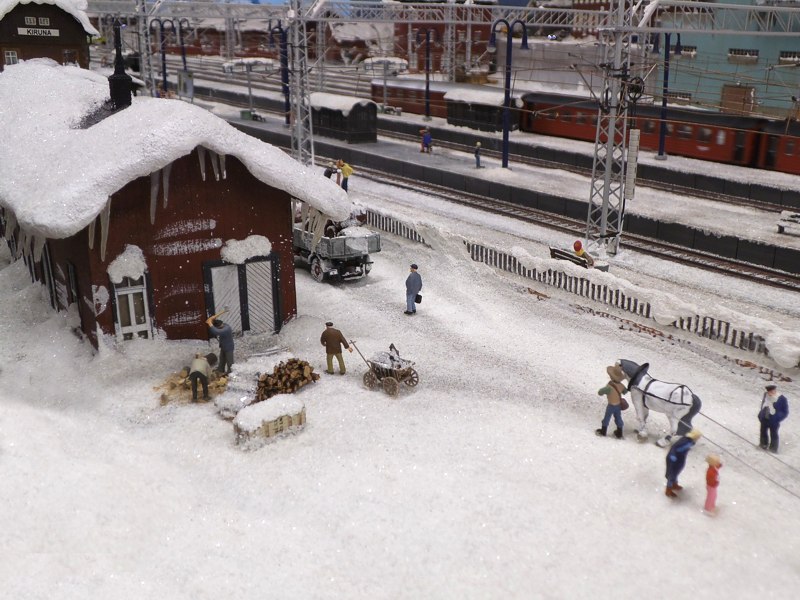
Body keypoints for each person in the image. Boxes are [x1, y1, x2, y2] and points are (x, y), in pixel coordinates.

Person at [665, 428, 702, 498]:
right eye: (698, 437)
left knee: (676, 472)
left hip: (680, 458)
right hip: (674, 459)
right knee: (671, 474)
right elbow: (674, 447)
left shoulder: (691, 442)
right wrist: (672, 455)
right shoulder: (684, 441)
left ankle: (674, 484)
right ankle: (668, 489)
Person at [596, 364, 627, 439]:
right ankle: (619, 432)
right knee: (618, 418)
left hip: (611, 405)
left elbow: (600, 392)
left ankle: (603, 431)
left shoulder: (609, 387)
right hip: (618, 405)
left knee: (607, 417)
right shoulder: (621, 385)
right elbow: (625, 392)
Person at [758, 384, 789, 453]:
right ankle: (763, 444)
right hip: (764, 418)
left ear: (775, 391)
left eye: (772, 391)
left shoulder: (781, 399)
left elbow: (785, 411)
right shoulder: (765, 395)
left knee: (774, 434)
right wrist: (760, 415)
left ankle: (773, 448)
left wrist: (777, 417)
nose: (770, 393)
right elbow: (763, 405)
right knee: (763, 432)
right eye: (769, 392)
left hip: (774, 420)